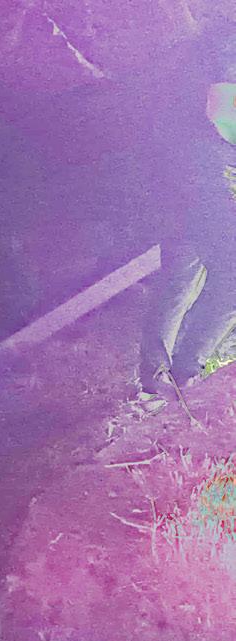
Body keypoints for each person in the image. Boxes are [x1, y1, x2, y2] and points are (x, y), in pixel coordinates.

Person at [136, 28, 236, 407]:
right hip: (200, 182)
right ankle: (182, 370)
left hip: (186, 181)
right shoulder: (219, 55)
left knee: (181, 278)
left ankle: (160, 375)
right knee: (220, 279)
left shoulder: (208, 49)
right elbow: (221, 113)